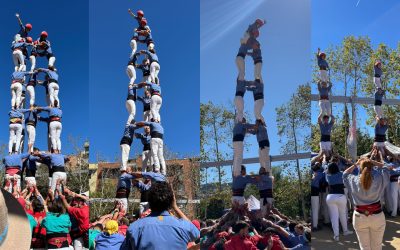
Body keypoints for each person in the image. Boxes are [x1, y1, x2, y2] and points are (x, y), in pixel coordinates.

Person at [121, 181, 200, 249]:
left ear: (149, 202)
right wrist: (175, 207)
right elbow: (195, 233)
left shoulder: (134, 228)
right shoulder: (184, 226)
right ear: (172, 201)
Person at [343, 158, 391, 250]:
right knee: (377, 246)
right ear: (372, 167)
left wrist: (356, 164)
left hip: (359, 217)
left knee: (364, 247)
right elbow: (386, 167)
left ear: (360, 168)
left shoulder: (353, 179)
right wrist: (373, 161)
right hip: (377, 215)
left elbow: (345, 174)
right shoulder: (378, 178)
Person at [325, 162, 353, 241]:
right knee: (343, 215)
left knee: (334, 217)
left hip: (330, 197)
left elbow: (325, 168)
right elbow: (348, 170)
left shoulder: (327, 175)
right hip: (341, 196)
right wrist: (356, 164)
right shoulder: (341, 174)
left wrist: (325, 161)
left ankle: (336, 236)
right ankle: (345, 231)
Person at [311, 162, 324, 231]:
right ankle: (315, 226)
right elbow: (324, 170)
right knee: (315, 209)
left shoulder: (310, 171)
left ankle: (311, 224)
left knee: (311, 209)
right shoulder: (320, 174)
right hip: (315, 191)